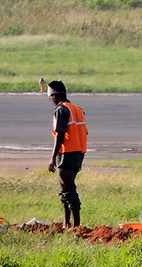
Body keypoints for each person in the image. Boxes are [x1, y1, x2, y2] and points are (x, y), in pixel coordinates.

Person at [47, 80, 88, 228]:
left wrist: (52, 158)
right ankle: (66, 224)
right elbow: (84, 133)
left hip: (65, 155)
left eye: (50, 96)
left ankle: (76, 227)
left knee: (69, 191)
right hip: (78, 155)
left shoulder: (61, 110)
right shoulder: (77, 109)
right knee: (65, 190)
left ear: (53, 95)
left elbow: (60, 135)